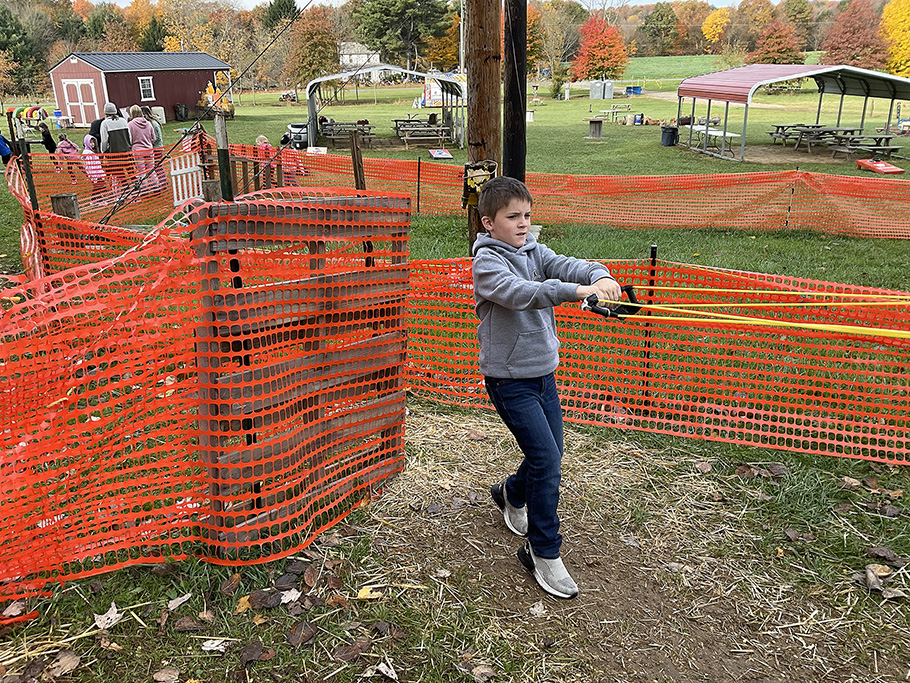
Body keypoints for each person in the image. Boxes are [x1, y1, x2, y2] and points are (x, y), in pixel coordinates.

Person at [471, 176, 621, 600]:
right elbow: (524, 293)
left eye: (528, 216)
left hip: (544, 374)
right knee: (547, 461)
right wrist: (577, 292)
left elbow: (565, 265)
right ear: (488, 223)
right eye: (513, 217)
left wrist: (599, 276)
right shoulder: (487, 265)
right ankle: (542, 551)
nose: (523, 224)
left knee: (548, 457)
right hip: (509, 381)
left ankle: (510, 494)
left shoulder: (535, 250)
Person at [99, 102, 131, 193]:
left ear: (105, 112)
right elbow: (129, 136)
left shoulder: (105, 123)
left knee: (119, 173)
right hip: (126, 151)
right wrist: (129, 146)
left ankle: (124, 190)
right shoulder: (123, 121)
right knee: (130, 171)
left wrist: (103, 151)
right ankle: (132, 189)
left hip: (114, 153)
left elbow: (104, 140)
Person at [128, 105, 156, 191]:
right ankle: (155, 186)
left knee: (141, 171)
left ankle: (144, 189)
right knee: (151, 170)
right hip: (149, 150)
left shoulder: (130, 125)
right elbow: (153, 138)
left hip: (138, 151)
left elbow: (130, 139)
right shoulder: (148, 123)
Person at [82, 134, 106, 207]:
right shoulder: (87, 153)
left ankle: (94, 200)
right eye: (90, 142)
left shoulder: (92, 152)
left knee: (98, 186)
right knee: (97, 187)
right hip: (94, 173)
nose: (92, 144)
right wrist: (94, 176)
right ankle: (99, 200)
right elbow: (89, 165)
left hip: (97, 172)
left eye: (93, 142)